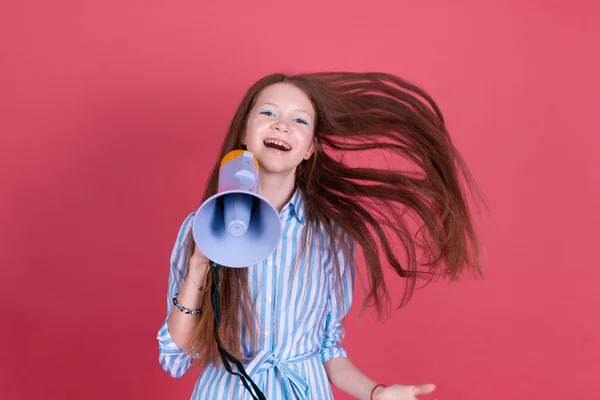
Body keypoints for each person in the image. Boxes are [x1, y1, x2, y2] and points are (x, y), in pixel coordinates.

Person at [156, 72, 485, 399]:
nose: (282, 125)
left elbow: (327, 350)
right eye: (268, 112)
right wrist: (199, 266)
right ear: (244, 132)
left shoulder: (331, 237)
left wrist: (377, 393)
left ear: (310, 148)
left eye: (299, 119)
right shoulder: (202, 226)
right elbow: (176, 358)